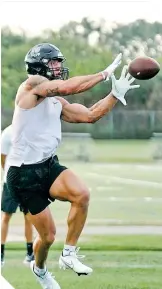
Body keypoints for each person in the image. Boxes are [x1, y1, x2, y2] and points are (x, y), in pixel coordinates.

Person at [6, 43, 139, 289]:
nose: (58, 66)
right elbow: (70, 87)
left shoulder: (55, 101)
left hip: (47, 165)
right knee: (47, 237)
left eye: (59, 62)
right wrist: (103, 74)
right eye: (53, 62)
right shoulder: (32, 85)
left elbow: (89, 115)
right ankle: (40, 268)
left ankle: (69, 254)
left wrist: (114, 95)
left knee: (82, 194)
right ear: (38, 65)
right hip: (23, 174)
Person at [1, 125, 34, 267]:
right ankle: (1, 254)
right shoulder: (8, 133)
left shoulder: (31, 131)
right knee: (6, 216)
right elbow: (3, 158)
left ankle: (30, 253)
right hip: (10, 182)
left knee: (29, 217)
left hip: (27, 182)